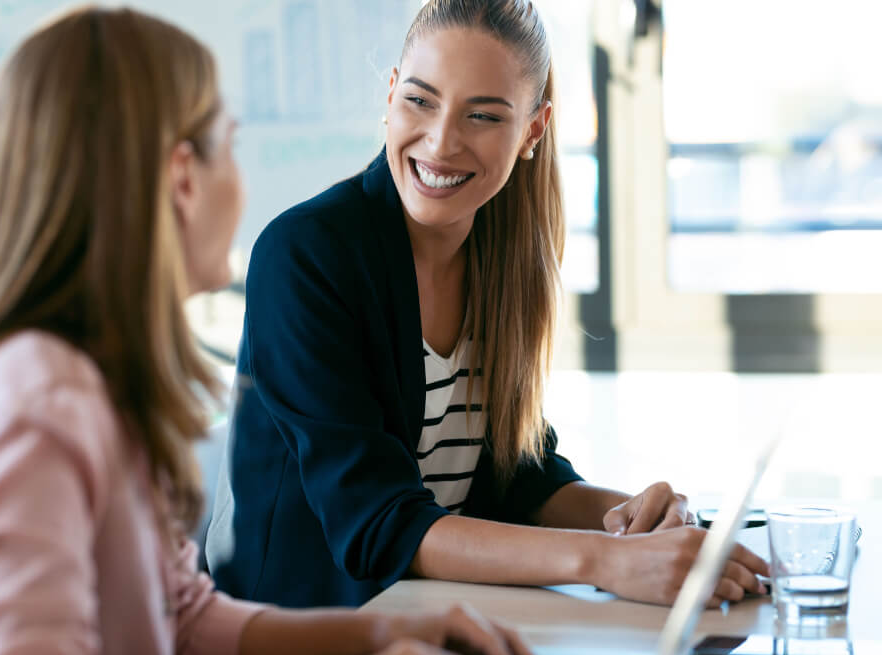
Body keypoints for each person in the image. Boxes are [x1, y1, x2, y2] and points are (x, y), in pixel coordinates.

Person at [0, 7, 537, 655]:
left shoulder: (93, 382)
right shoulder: (40, 411)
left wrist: (383, 637)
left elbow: (183, 619)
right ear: (183, 178)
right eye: (230, 144)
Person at [213, 0, 769, 610]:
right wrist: (608, 561)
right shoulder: (305, 255)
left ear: (533, 130)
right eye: (420, 100)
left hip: (439, 617)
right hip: (308, 626)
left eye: (482, 115)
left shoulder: (501, 257)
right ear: (391, 94)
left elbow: (516, 475)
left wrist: (644, 525)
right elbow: (378, 524)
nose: (441, 141)